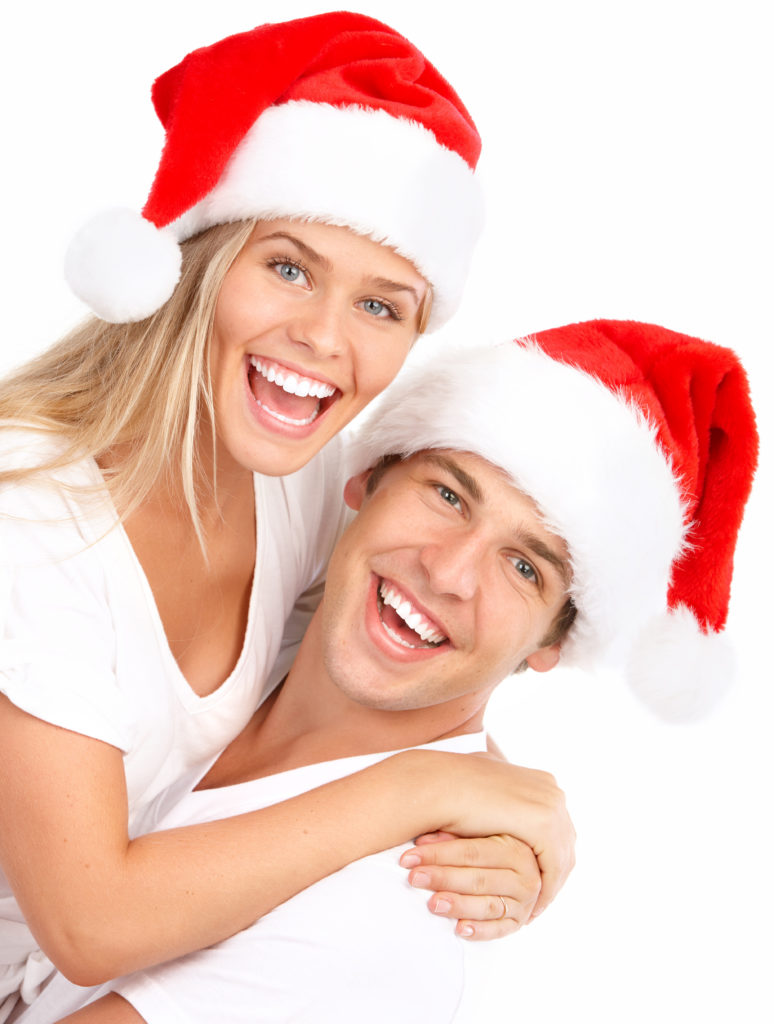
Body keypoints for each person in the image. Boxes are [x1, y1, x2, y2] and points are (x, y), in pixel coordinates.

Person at [0, 13, 577, 1023]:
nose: (321, 341)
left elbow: (383, 680)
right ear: (195, 262)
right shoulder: (31, 515)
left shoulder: (303, 477)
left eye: (382, 305)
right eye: (289, 267)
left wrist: (532, 827)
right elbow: (88, 919)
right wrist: (422, 790)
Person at [19, 319, 758, 1023]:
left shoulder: (387, 921)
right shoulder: (268, 605)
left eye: (525, 567)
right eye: (447, 495)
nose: (448, 572)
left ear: (549, 644)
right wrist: (434, 781)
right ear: (364, 481)